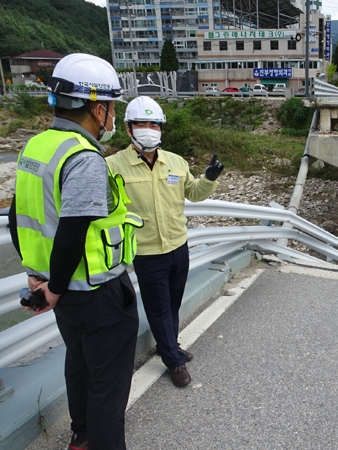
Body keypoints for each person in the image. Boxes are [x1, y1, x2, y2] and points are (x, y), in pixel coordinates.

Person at [8, 54, 143, 450]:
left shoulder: (37, 146)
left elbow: (19, 217)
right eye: (113, 107)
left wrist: (39, 276)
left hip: (63, 291)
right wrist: (55, 286)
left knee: (80, 365)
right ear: (97, 108)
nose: (114, 116)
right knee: (109, 387)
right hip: (96, 292)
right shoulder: (83, 158)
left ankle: (81, 439)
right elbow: (71, 234)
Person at [106, 96, 224, 387]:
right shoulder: (112, 166)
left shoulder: (176, 162)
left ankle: (167, 344)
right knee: (158, 307)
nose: (148, 129)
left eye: (153, 124)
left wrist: (208, 179)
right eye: (141, 124)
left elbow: (194, 193)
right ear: (128, 129)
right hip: (146, 252)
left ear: (161, 128)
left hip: (178, 246)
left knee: (171, 304)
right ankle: (174, 360)